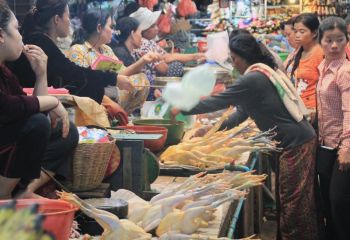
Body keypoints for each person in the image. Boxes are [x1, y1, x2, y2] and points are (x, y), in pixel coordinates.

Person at [173, 33, 319, 240]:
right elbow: (241, 114)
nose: (233, 64)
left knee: (293, 204)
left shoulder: (254, 78)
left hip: (296, 144)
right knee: (288, 201)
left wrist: (181, 107)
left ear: (243, 56)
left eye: (234, 58)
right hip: (291, 142)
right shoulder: (259, 74)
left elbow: (219, 101)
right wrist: (211, 130)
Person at [0, 1, 78, 199]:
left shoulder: (6, 72)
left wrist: (41, 74)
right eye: (17, 29)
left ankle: (24, 191)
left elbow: (32, 108)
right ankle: (3, 194)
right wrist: (53, 101)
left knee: (65, 130)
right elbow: (8, 108)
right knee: (35, 124)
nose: (21, 36)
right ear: (1, 35)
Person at [7, 0, 133, 105]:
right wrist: (113, 79)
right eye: (68, 16)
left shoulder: (40, 39)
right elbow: (73, 74)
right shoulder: (40, 42)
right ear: (57, 19)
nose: (70, 21)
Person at [67, 9, 161, 114]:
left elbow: (121, 74)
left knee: (141, 79)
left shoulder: (107, 50)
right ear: (99, 28)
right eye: (111, 27)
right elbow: (82, 83)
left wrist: (143, 61)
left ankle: (121, 115)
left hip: (111, 93)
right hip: (93, 98)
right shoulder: (78, 50)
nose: (113, 31)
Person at [316, 17, 350, 240]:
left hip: (342, 148)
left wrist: (347, 146)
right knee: (327, 201)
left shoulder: (344, 71)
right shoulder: (323, 67)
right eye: (329, 40)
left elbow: (349, 110)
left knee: (340, 202)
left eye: (340, 40)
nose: (335, 45)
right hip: (326, 145)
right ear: (320, 41)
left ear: (347, 41)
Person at [130, 7, 205, 77]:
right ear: (143, 30)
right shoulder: (143, 44)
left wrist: (194, 56)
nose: (157, 28)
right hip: (152, 84)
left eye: (155, 25)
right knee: (177, 66)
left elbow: (167, 56)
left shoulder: (150, 42)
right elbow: (163, 68)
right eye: (152, 26)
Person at [285, 13, 323, 112]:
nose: (297, 35)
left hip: (313, 110)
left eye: (302, 31)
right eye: (295, 31)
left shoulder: (320, 54)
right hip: (298, 107)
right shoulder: (298, 51)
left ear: (314, 33)